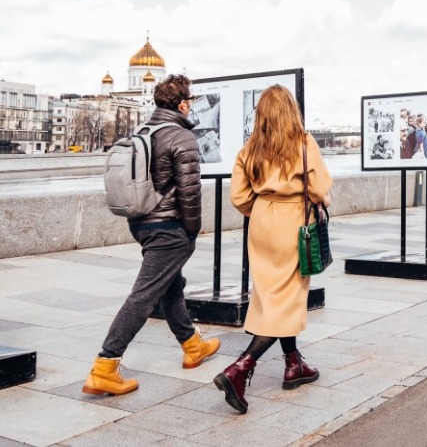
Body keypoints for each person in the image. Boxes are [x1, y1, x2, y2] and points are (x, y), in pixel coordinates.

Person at [83, 74, 220, 397]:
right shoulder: (181, 136)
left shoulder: (144, 131)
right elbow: (189, 190)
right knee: (144, 294)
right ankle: (105, 365)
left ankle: (191, 345)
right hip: (169, 227)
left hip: (141, 222)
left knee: (169, 285)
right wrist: (191, 230)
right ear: (183, 104)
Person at [216, 85, 332, 414]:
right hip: (293, 221)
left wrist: (264, 208)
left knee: (273, 294)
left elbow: (239, 198)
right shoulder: (303, 143)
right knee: (288, 295)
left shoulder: (249, 150)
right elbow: (321, 187)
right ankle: (239, 369)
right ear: (290, 111)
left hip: (261, 224)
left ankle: (294, 365)